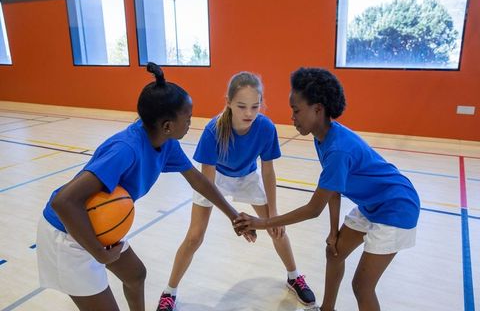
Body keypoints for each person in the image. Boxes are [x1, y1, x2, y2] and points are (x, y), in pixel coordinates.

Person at [36, 62, 253, 311]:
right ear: (167, 125)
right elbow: (62, 202)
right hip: (66, 233)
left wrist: (233, 215)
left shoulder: (166, 142)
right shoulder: (125, 150)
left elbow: (198, 180)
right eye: (188, 118)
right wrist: (99, 253)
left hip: (97, 227)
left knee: (135, 275)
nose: (190, 123)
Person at [234, 67, 420, 311]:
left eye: (296, 110)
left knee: (362, 286)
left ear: (317, 109)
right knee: (334, 252)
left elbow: (313, 209)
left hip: (397, 207)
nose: (292, 117)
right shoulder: (321, 136)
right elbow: (334, 189)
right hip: (372, 204)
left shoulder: (338, 149)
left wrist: (261, 222)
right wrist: (333, 231)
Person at [157, 71, 316, 311]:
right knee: (194, 236)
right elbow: (206, 183)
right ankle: (169, 292)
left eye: (255, 106)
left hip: (248, 177)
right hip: (215, 180)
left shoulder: (265, 127)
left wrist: (272, 213)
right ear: (228, 102)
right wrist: (235, 218)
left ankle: (294, 276)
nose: (249, 113)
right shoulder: (213, 130)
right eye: (242, 106)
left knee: (277, 228)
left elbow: (268, 171)